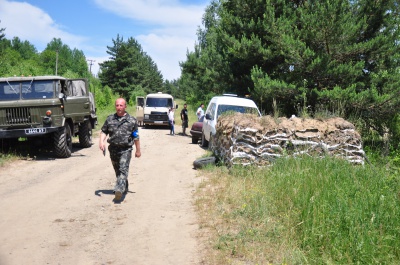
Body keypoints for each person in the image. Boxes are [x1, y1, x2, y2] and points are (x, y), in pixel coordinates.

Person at [99, 98, 141, 201]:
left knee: (123, 169)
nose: (119, 107)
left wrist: (138, 150)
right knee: (118, 171)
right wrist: (101, 141)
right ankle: (124, 186)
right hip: (113, 149)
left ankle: (119, 190)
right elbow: (104, 131)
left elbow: (136, 136)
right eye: (117, 105)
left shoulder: (132, 120)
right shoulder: (110, 119)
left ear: (125, 106)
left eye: (121, 105)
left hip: (125, 149)